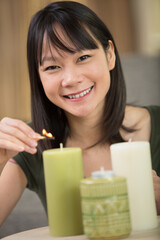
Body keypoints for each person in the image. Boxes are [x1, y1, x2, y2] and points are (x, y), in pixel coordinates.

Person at [0, 1, 160, 226]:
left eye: (83, 58)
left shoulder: (157, 125)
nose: (71, 79)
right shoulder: (30, 144)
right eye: (52, 67)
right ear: (38, 77)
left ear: (110, 55)